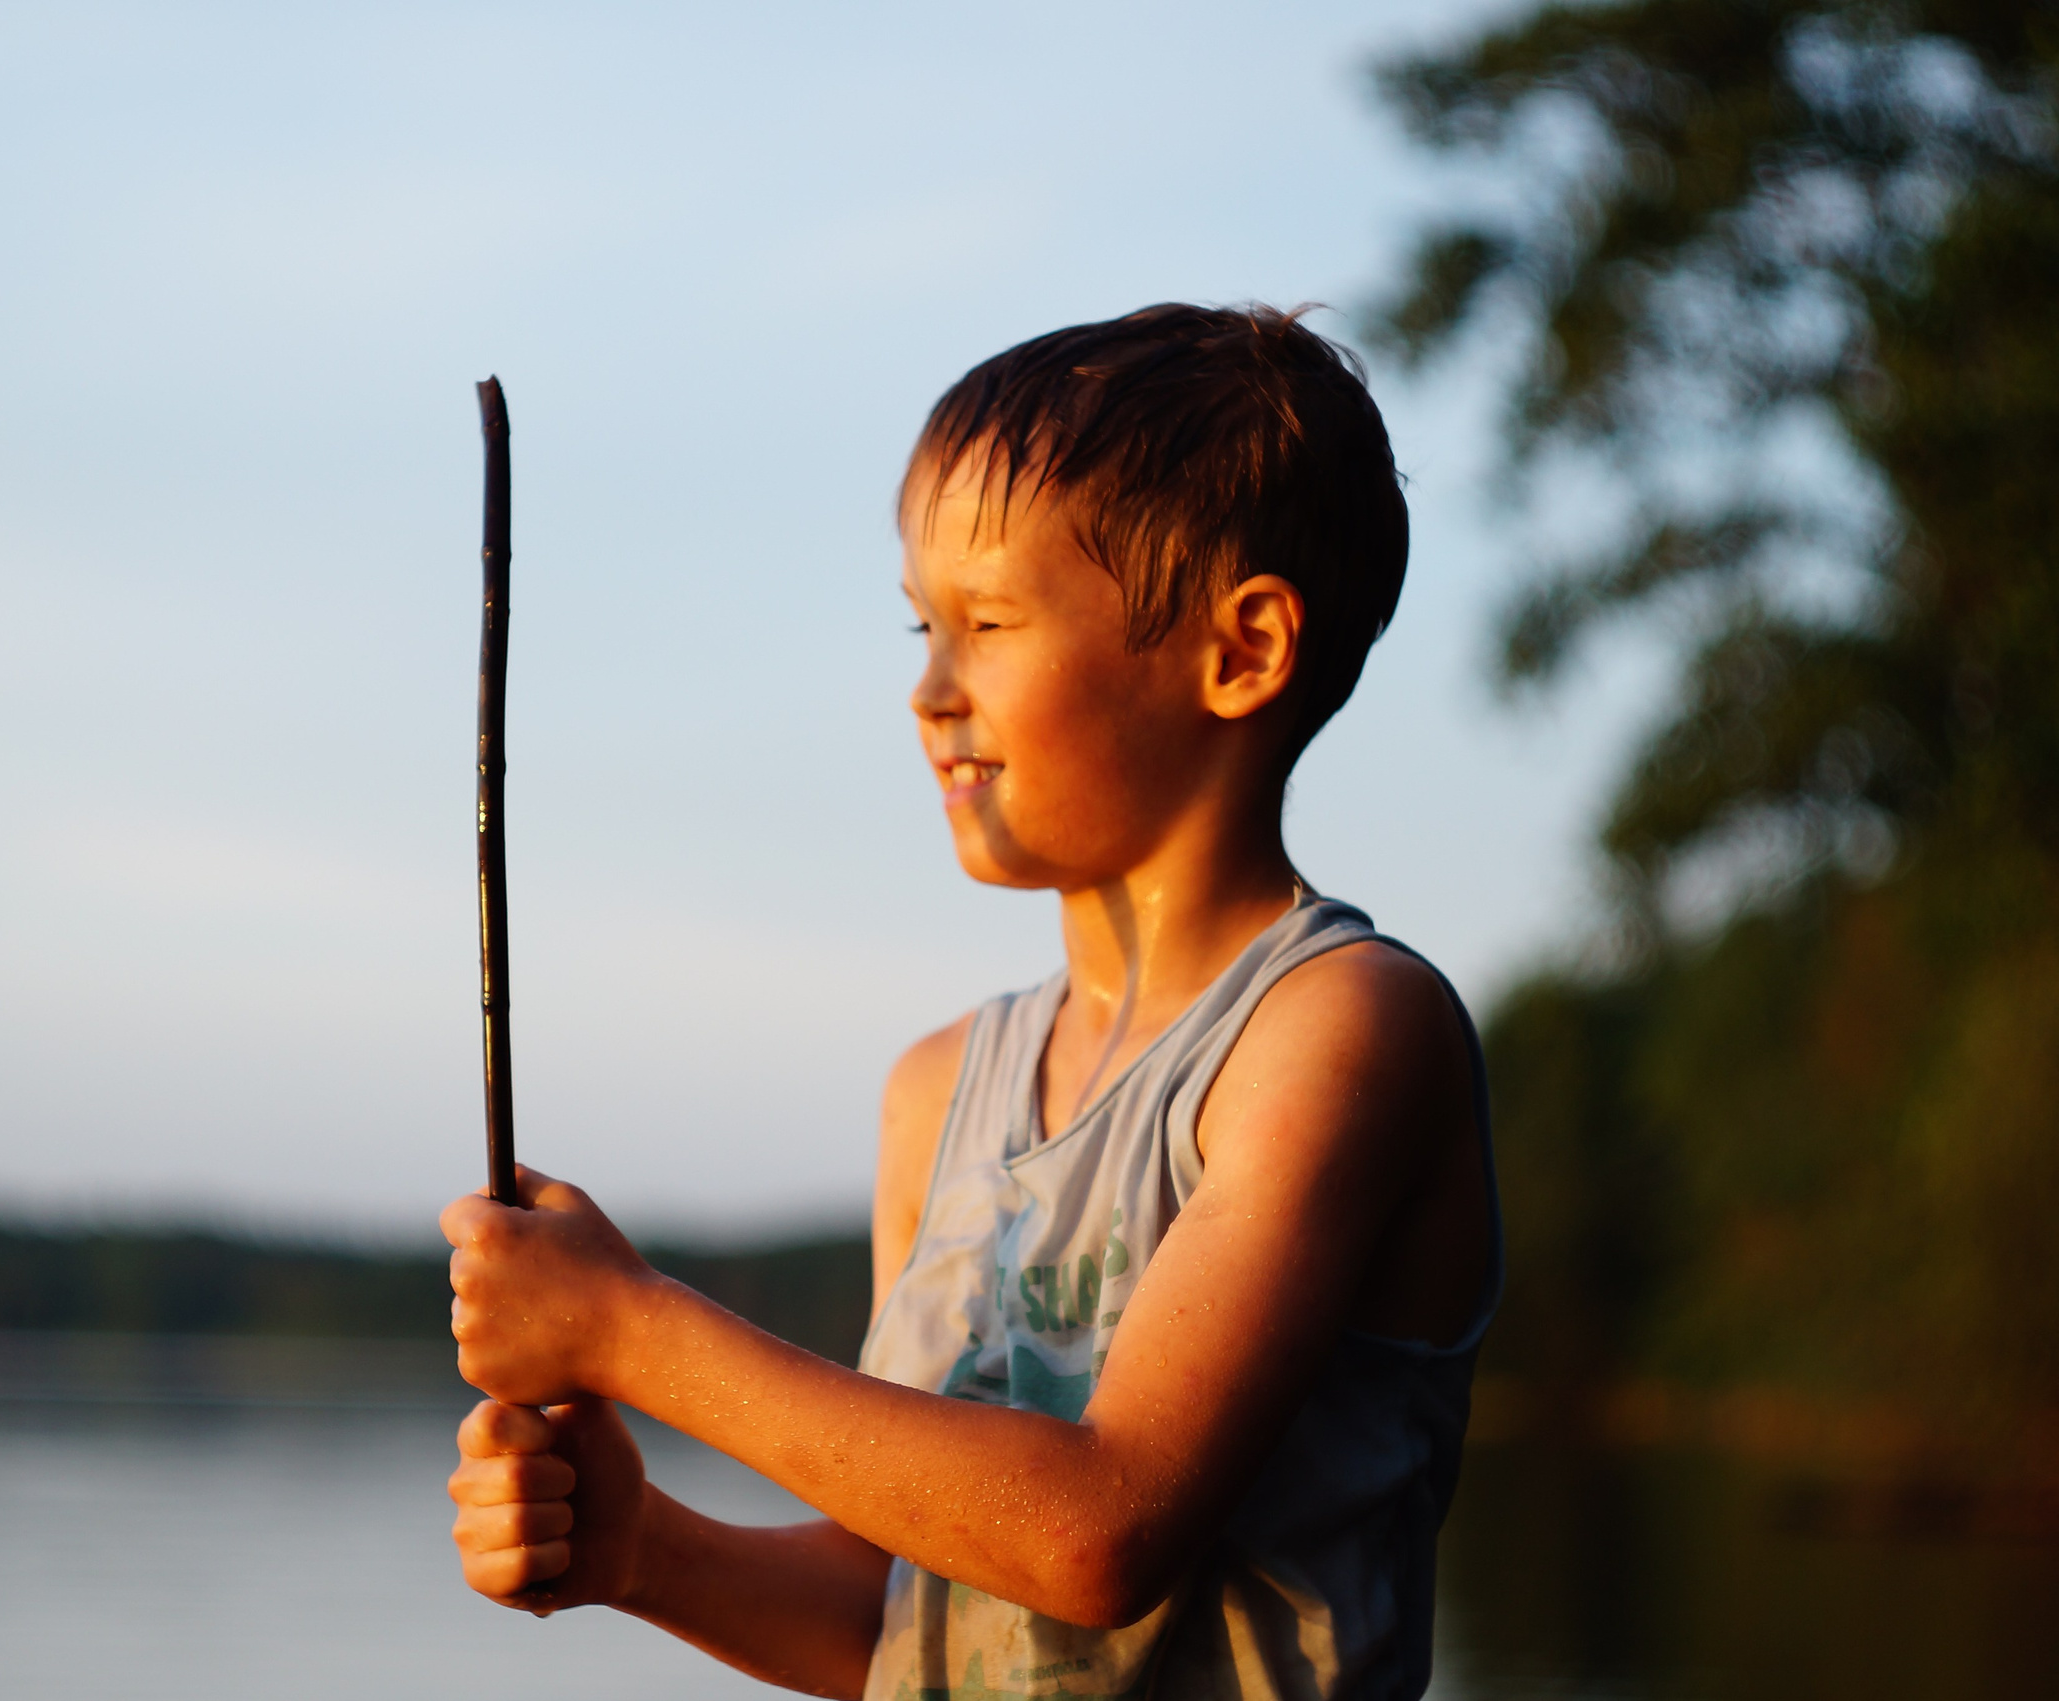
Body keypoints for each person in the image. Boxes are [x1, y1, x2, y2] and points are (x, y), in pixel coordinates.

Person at [441, 303, 1499, 1701]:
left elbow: (1099, 1528)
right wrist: (642, 1548)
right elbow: (899, 1603)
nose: (928, 693)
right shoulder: (938, 1092)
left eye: (988, 624)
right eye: (921, 627)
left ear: (1241, 650)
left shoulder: (1338, 1032)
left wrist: (633, 1330)